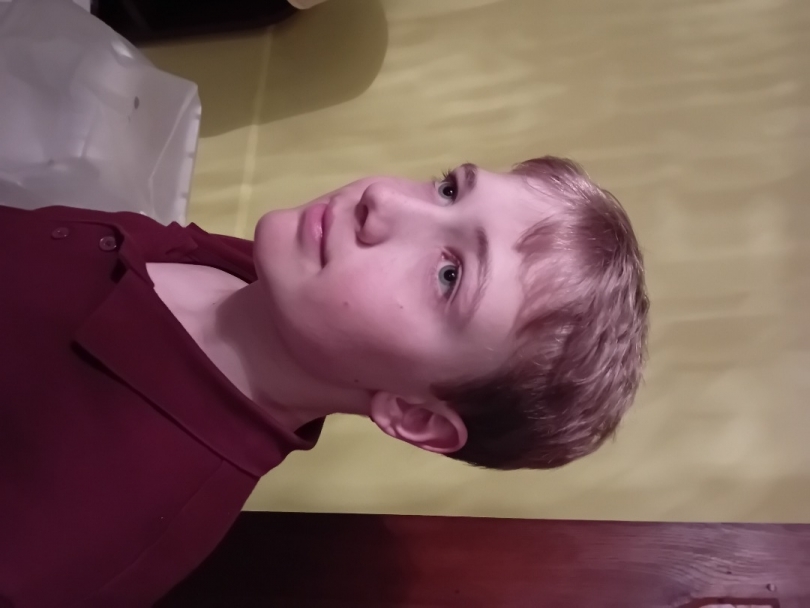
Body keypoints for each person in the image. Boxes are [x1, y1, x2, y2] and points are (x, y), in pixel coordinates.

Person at [0, 156, 649, 607]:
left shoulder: (90, 532)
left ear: (416, 416)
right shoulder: (251, 276)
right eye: (449, 189)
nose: (383, 199)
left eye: (449, 275)